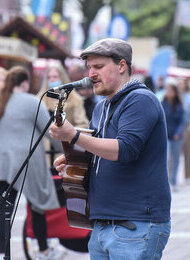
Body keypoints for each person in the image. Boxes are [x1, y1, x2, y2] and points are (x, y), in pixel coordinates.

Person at [49, 38, 171, 260]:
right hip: (103, 224)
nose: (91, 74)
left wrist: (73, 135)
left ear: (122, 66)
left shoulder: (140, 100)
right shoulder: (101, 107)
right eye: (89, 67)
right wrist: (75, 160)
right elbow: (100, 151)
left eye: (98, 67)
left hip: (135, 224)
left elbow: (123, 150)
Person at [0, 66, 65, 260]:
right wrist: (66, 151)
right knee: (37, 209)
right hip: (29, 162)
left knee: (4, 210)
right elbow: (51, 132)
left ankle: (4, 252)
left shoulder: (2, 101)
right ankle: (43, 251)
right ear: (25, 83)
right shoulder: (31, 101)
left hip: (3, 162)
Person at [162, 83, 185, 191]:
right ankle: (166, 182)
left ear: (175, 93)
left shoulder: (179, 106)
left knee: (175, 160)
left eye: (171, 91)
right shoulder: (163, 104)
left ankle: (173, 181)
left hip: (176, 136)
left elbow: (182, 122)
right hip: (165, 135)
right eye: (167, 91)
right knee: (166, 159)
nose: (168, 93)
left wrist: (178, 133)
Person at [177, 78, 190, 182]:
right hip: (175, 127)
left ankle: (187, 176)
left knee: (187, 152)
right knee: (174, 153)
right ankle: (173, 177)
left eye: (182, 83)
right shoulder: (174, 97)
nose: (180, 85)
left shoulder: (188, 97)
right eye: (179, 83)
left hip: (186, 126)